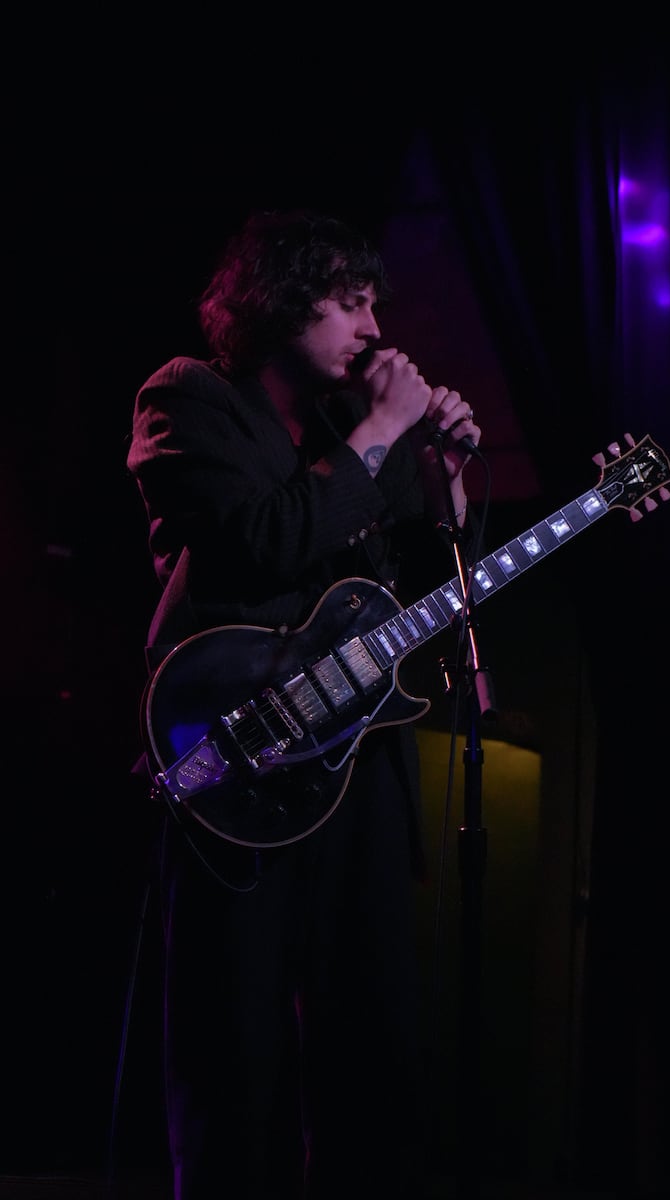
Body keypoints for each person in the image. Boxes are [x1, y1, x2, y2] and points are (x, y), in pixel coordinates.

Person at [125, 207, 482, 1199]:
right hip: (231, 763)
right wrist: (380, 433)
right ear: (281, 303)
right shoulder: (189, 399)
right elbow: (262, 543)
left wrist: (445, 484)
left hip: (355, 771)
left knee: (374, 1043)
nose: (374, 326)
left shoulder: (351, 434)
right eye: (348, 301)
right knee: (231, 1049)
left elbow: (422, 596)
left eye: (375, 302)